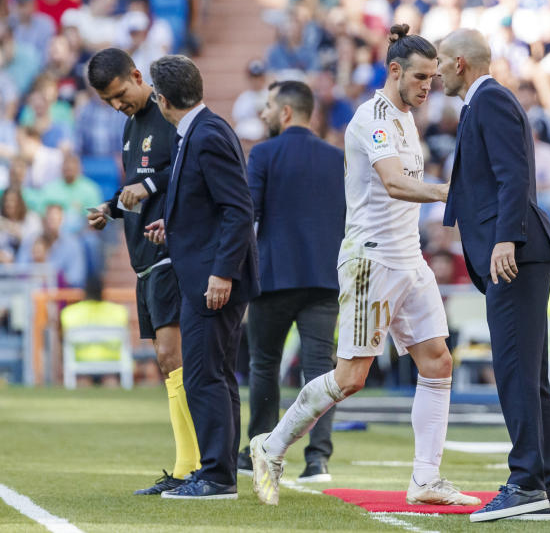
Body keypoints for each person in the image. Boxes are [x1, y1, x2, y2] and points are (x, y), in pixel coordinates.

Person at [249, 25, 478, 509]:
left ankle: (425, 479)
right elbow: (394, 183)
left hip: (407, 258)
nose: (427, 87)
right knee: (350, 377)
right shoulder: (371, 118)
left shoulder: (405, 117)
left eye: (433, 79)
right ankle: (270, 446)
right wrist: (451, 193)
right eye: (419, 77)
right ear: (393, 71)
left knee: (438, 362)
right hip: (371, 259)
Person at [438, 28, 550, 522]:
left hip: (513, 252)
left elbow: (514, 175)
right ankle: (541, 484)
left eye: (443, 61)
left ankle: (526, 480)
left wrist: (505, 238)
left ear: (462, 63)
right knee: (529, 375)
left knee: (514, 369)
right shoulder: (485, 102)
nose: (438, 70)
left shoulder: (489, 101)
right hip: (516, 252)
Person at [84, 48, 200, 495]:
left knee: (174, 356)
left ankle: (193, 466)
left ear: (136, 75)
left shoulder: (168, 110)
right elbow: (138, 183)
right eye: (108, 101)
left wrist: (145, 186)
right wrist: (110, 208)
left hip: (169, 251)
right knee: (165, 360)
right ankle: (188, 464)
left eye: (119, 95)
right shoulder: (131, 126)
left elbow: (187, 165)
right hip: (143, 262)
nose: (117, 105)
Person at [145, 54, 260, 500]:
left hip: (213, 281)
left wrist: (222, 274)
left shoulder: (206, 133)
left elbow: (237, 208)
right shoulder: (199, 129)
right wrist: (171, 228)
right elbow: (210, 204)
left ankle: (215, 476)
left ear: (162, 97)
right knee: (215, 375)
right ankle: (220, 471)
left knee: (204, 376)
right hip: (206, 271)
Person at [238, 80, 345, 483]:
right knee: (321, 373)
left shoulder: (263, 153)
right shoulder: (338, 158)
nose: (263, 113)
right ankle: (318, 460)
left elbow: (248, 213)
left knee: (263, 364)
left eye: (267, 106)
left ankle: (257, 450)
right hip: (325, 278)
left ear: (285, 112)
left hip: (274, 277)